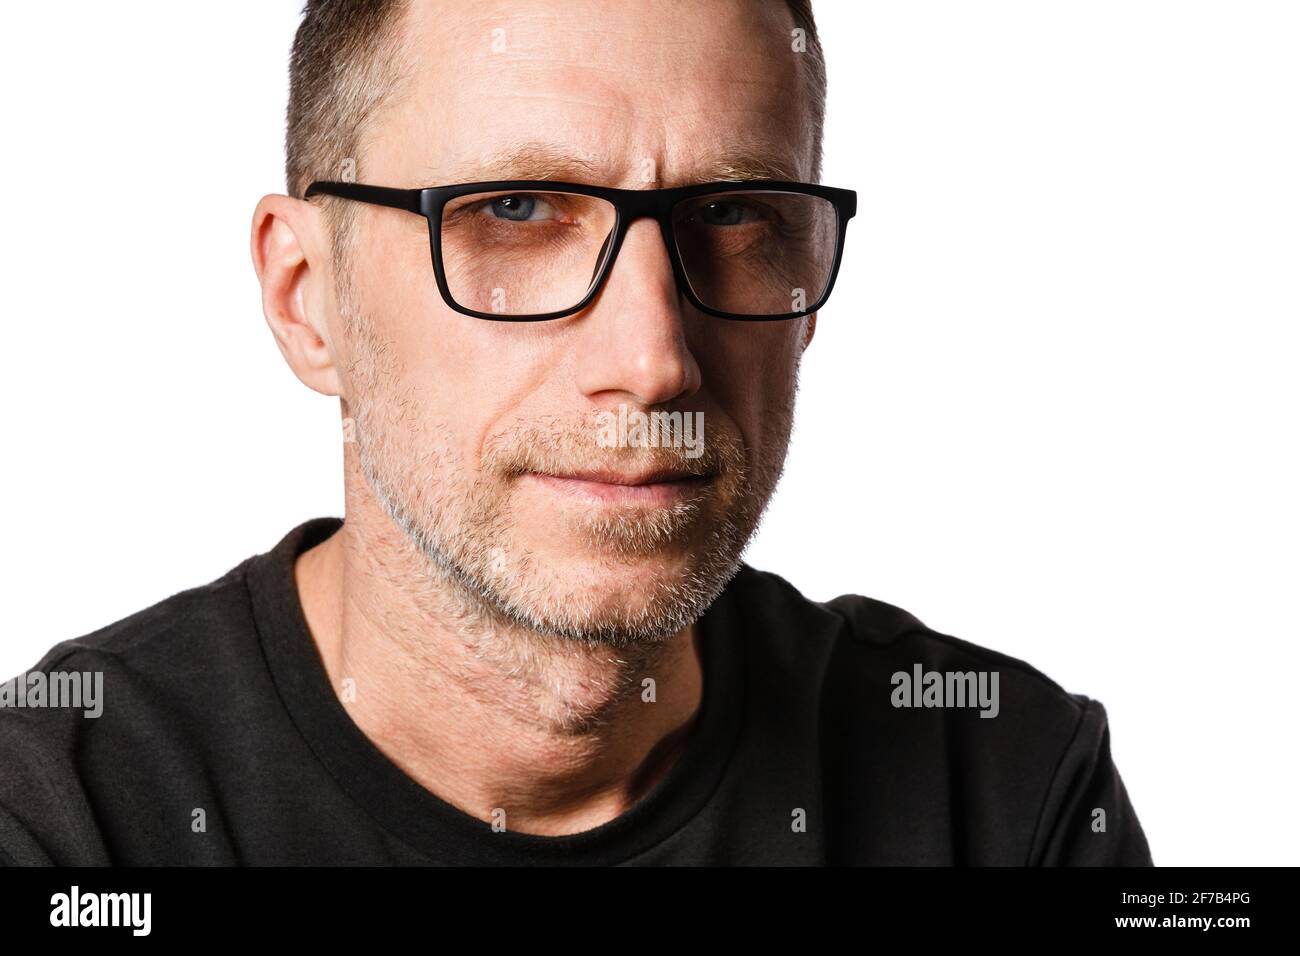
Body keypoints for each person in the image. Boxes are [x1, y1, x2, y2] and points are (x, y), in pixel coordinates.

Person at [0, 0, 1151, 865]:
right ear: (308, 298)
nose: (654, 358)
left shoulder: (1001, 791)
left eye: (734, 213)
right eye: (514, 209)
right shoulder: (67, 817)